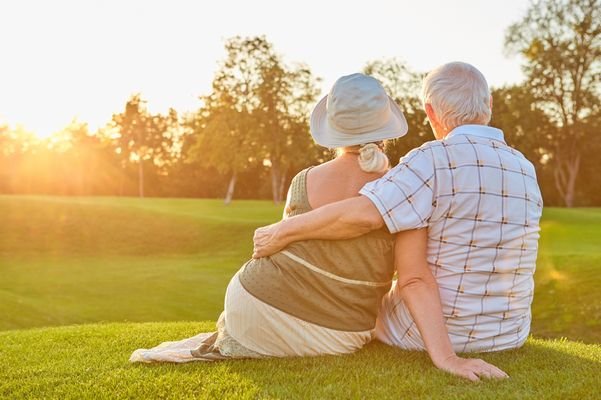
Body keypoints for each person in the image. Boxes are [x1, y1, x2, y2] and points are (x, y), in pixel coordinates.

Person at [253, 62, 542, 382]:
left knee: (368, 300)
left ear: (431, 112)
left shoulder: (432, 159)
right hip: (509, 334)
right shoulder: (525, 168)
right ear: (488, 105)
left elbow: (364, 216)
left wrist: (281, 230)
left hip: (433, 336)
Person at [130, 73, 408, 363]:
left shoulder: (305, 180)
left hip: (253, 308)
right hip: (338, 332)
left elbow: (278, 245)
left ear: (333, 129)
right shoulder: (400, 190)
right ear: (385, 129)